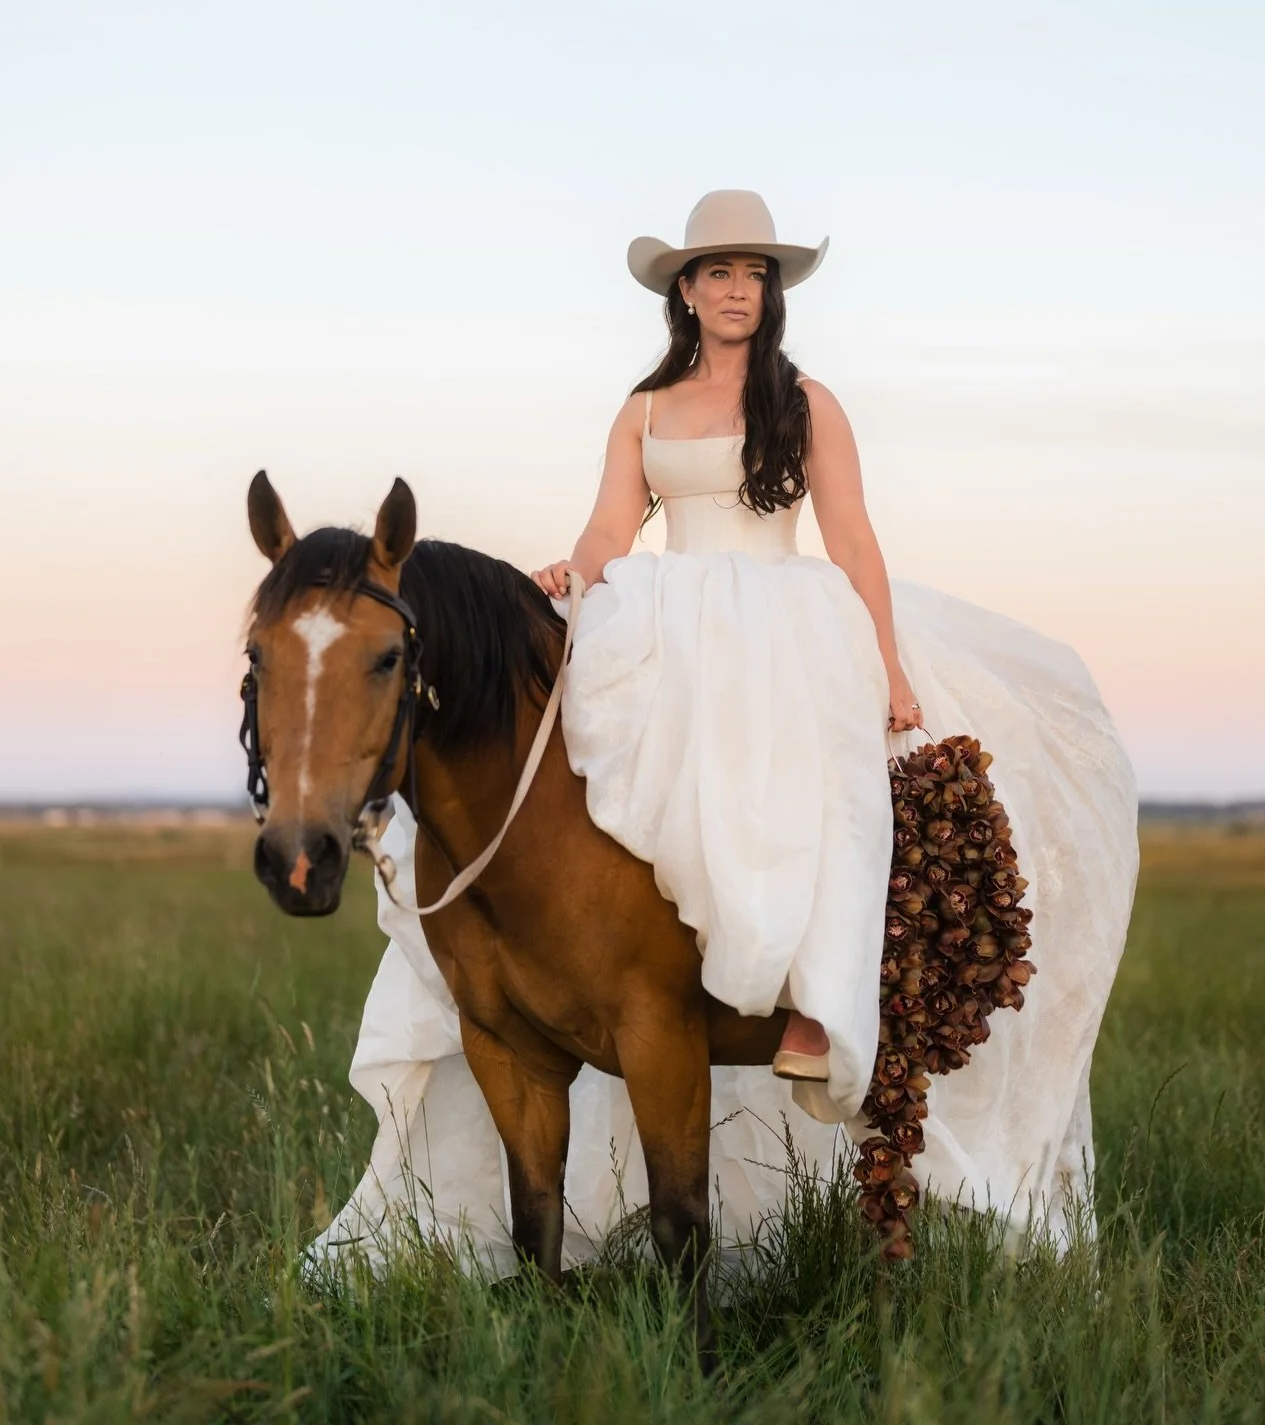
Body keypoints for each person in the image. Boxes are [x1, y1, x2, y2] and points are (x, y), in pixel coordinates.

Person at [307, 190, 1139, 1276]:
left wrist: (884, 659)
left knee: (797, 776)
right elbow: (614, 521)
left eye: (755, 273)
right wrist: (582, 569)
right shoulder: (646, 409)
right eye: (718, 273)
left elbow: (852, 537)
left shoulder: (807, 401)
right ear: (685, 291)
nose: (738, 289)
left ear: (768, 291)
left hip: (781, 611)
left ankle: (807, 997)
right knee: (627, 786)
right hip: (665, 608)